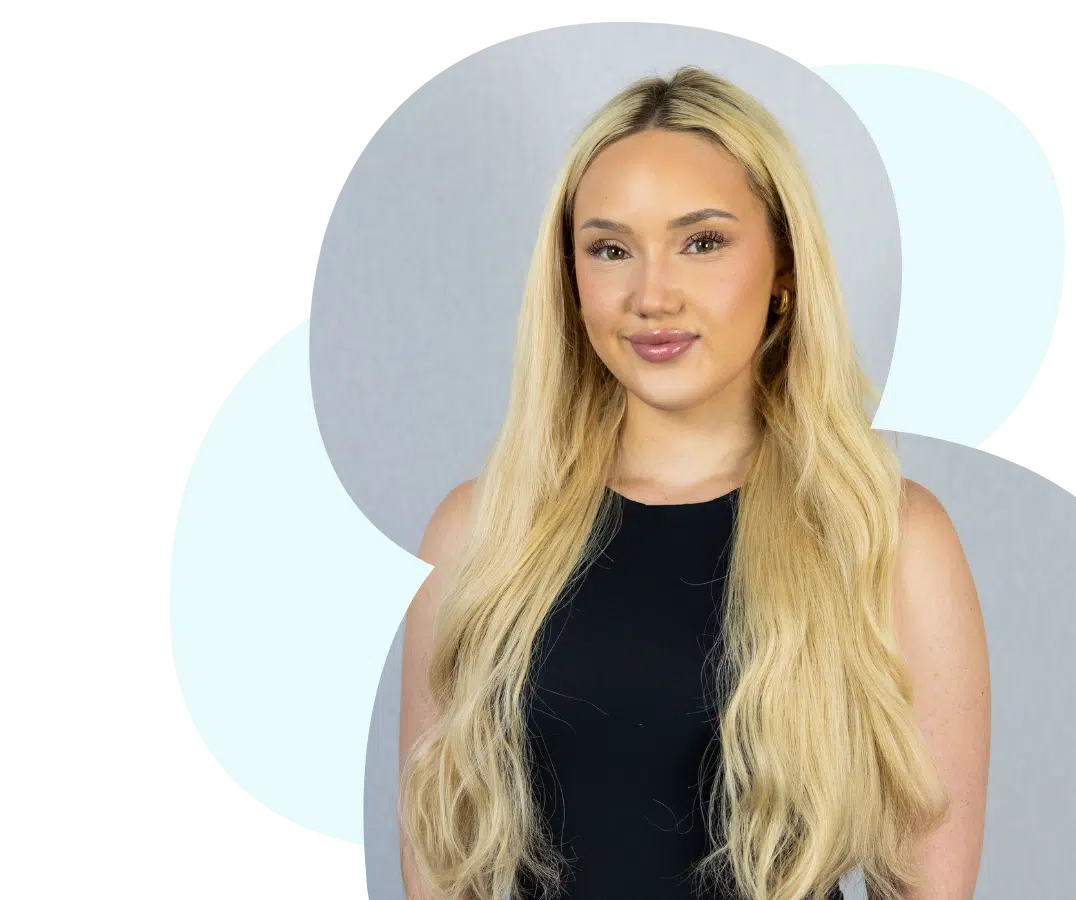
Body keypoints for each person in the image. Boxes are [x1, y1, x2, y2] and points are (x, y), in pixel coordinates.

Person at [397, 66, 990, 900]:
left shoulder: (886, 540)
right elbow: (440, 870)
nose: (652, 296)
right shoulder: (479, 534)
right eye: (610, 250)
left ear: (784, 266)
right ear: (570, 279)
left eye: (702, 242)